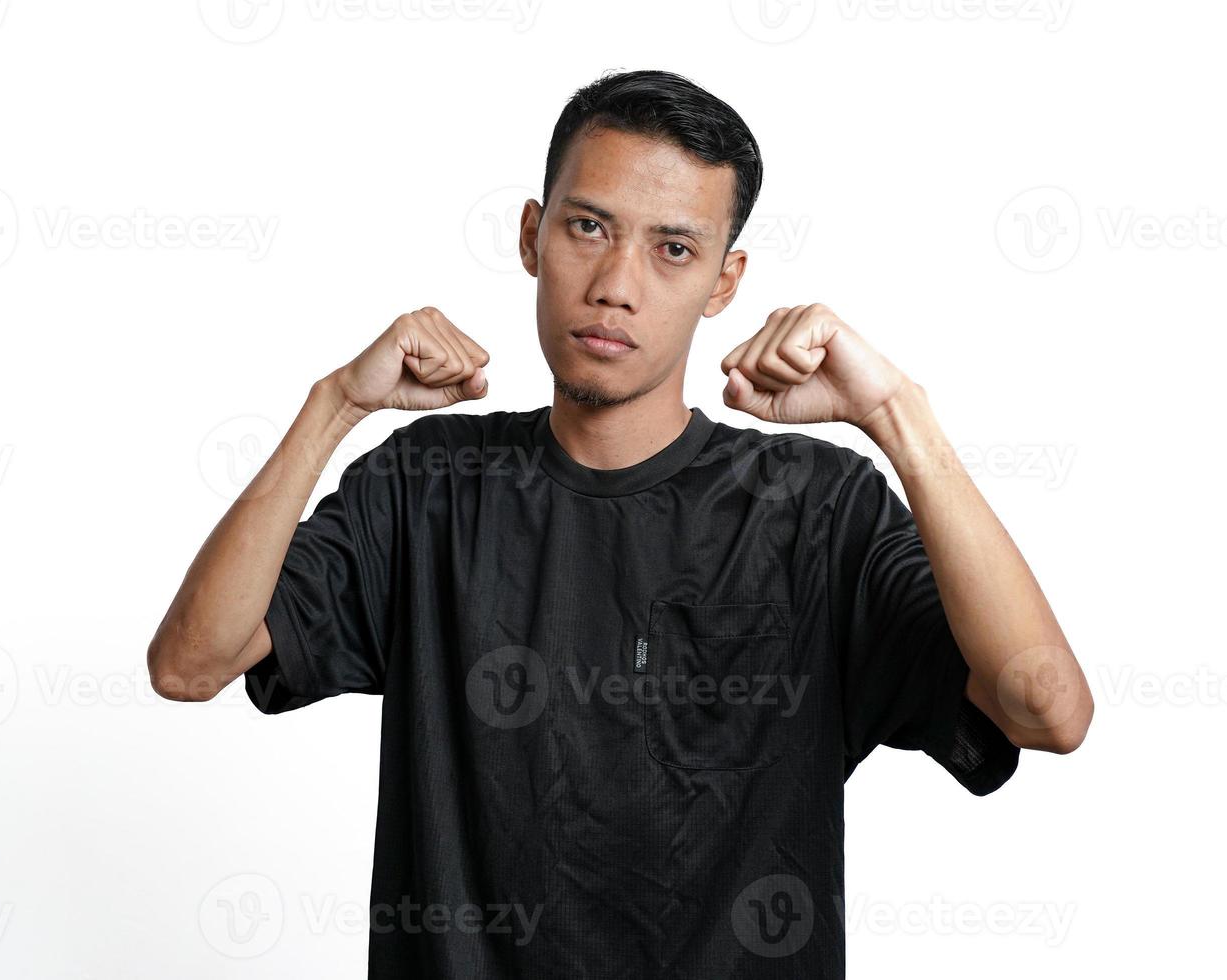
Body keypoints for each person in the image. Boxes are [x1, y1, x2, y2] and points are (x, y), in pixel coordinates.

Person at [147, 68, 1093, 979]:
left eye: (672, 249)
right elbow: (190, 662)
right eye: (588, 227)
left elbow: (1047, 710)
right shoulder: (423, 488)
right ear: (532, 234)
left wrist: (900, 418)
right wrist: (330, 409)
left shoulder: (817, 509)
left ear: (725, 282)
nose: (615, 284)